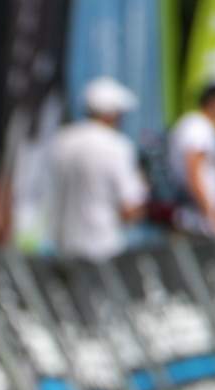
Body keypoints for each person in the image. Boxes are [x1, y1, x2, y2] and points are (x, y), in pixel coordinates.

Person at [47, 77, 148, 261]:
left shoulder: (61, 140)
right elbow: (130, 208)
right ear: (112, 114)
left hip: (63, 246)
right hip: (103, 247)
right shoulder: (117, 146)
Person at [169, 80, 215, 239]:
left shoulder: (208, 130)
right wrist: (212, 215)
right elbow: (193, 173)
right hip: (197, 218)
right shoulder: (197, 126)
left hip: (205, 217)